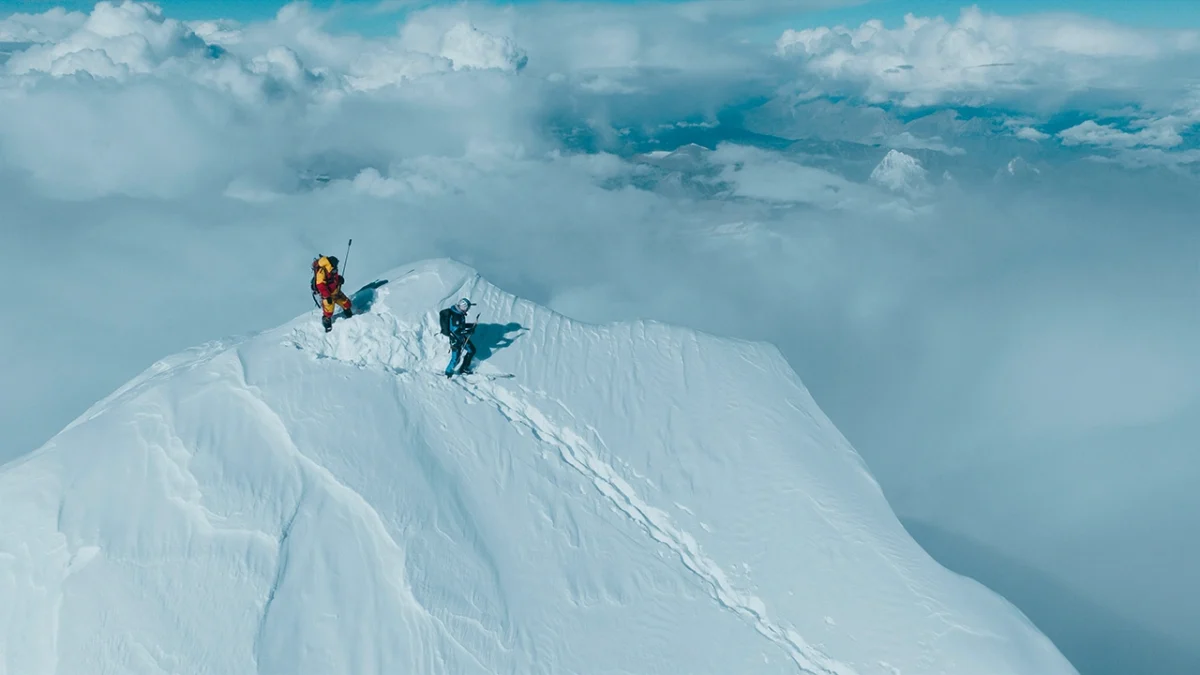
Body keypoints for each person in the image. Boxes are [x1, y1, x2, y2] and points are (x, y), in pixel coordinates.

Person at [312, 254, 353, 332]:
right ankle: (326, 323)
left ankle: (349, 313)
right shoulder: (322, 271)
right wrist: (327, 297)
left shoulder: (332, 269)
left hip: (336, 292)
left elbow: (333, 279)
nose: (337, 266)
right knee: (328, 312)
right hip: (327, 296)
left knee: (347, 303)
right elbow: (321, 285)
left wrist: (339, 279)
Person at [440, 297, 476, 376]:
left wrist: (470, 326)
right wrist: (468, 331)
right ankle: (447, 373)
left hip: (461, 338)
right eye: (468, 307)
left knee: (471, 350)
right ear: (464, 307)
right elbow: (457, 330)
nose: (468, 309)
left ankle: (464, 368)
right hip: (456, 340)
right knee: (455, 358)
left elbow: (461, 326)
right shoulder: (456, 316)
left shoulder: (459, 313)